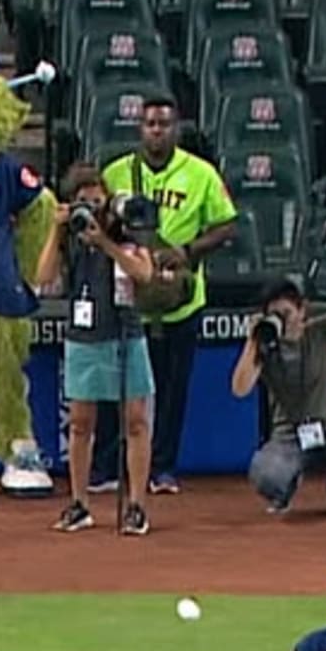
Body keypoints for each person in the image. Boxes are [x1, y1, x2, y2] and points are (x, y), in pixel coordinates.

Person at [94, 94, 238, 496]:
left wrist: (189, 250)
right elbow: (99, 220)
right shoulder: (118, 172)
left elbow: (228, 225)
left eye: (164, 124)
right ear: (140, 129)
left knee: (171, 391)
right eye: (150, 124)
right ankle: (107, 467)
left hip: (181, 300)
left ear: (177, 129)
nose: (157, 130)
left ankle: (162, 468)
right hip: (128, 298)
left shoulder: (201, 173)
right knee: (115, 389)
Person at [42, 165, 164, 536]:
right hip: (83, 336)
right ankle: (79, 504)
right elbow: (44, 278)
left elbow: (143, 274)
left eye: (97, 197)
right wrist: (56, 228)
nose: (92, 205)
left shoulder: (124, 226)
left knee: (136, 422)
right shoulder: (69, 233)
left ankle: (136, 507)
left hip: (125, 332)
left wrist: (105, 244)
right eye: (84, 199)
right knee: (80, 424)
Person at [232, 235, 326, 518]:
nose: (282, 320)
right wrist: (253, 342)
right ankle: (283, 492)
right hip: (289, 437)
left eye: (286, 313)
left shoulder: (318, 331)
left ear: (301, 310)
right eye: (274, 314)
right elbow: (239, 389)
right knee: (266, 473)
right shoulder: (265, 347)